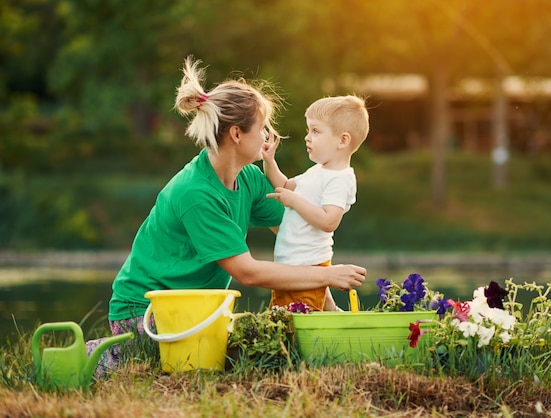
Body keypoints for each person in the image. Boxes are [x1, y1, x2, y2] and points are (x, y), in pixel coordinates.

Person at [86, 57, 367, 374]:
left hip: (198, 309)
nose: (267, 137)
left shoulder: (247, 177)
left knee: (259, 353)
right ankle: (102, 358)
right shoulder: (196, 193)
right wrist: (328, 276)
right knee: (225, 361)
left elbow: (297, 238)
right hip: (147, 311)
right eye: (262, 129)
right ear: (236, 134)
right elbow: (248, 273)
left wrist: (328, 305)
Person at [262, 95, 370, 311]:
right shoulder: (318, 171)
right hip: (291, 264)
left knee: (296, 322)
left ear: (342, 140)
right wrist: (269, 161)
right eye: (308, 130)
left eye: (316, 131)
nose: (307, 138)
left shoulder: (340, 179)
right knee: (283, 317)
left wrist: (293, 201)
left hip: (308, 266)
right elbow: (284, 184)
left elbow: (329, 221)